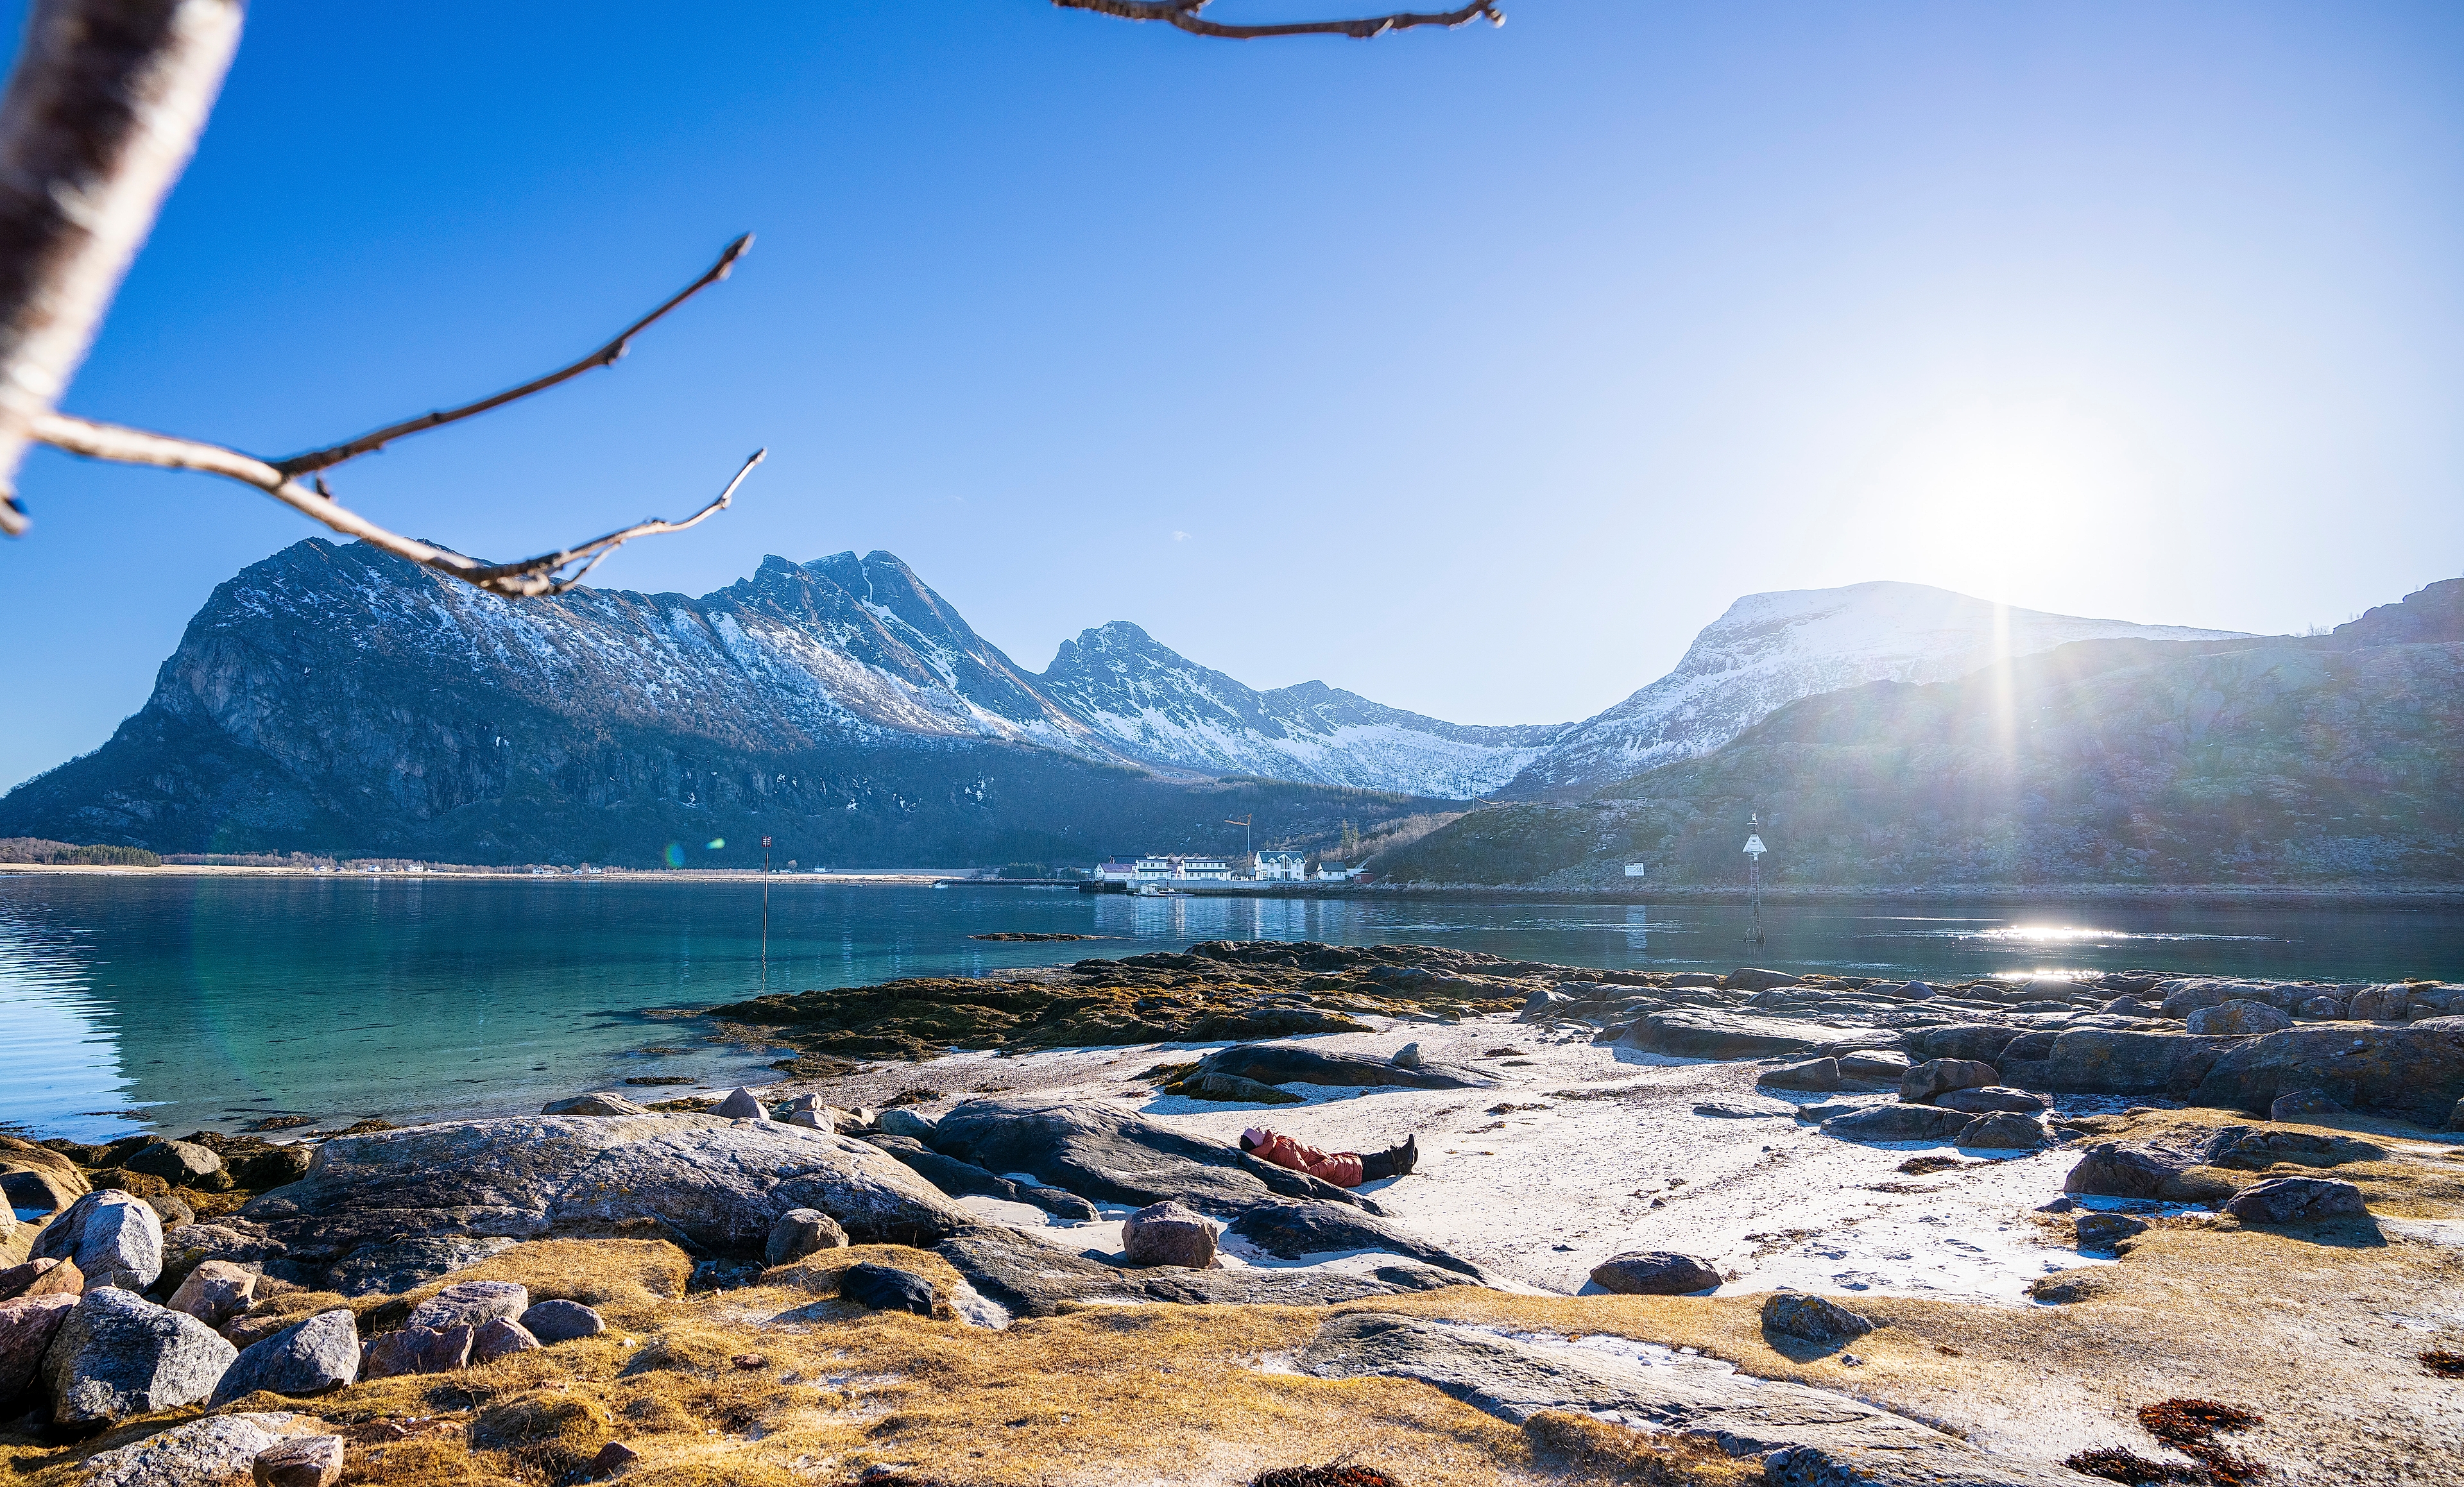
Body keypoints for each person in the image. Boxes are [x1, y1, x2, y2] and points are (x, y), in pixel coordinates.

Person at [1238, 1126, 1418, 1187]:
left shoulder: (1276, 1144)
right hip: (1336, 1171)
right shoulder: (1281, 1150)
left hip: (1334, 1162)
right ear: (1258, 1142)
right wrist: (1330, 1163)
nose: (1260, 1128)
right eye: (1257, 1131)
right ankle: (1401, 1165)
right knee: (1367, 1168)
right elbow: (1306, 1173)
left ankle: (1401, 1154)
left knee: (1364, 1160)